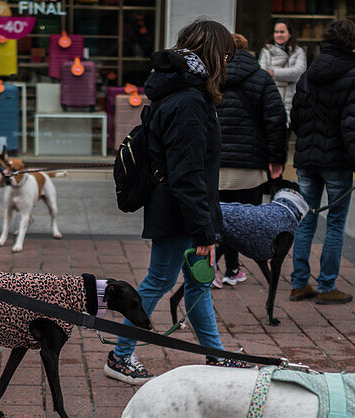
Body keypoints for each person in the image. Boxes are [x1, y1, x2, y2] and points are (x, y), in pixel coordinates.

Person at [104, 20, 250, 385]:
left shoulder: (177, 91)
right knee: (159, 280)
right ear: (214, 55)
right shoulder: (189, 101)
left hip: (178, 207)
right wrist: (203, 228)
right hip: (179, 211)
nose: (228, 63)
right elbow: (187, 173)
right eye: (226, 55)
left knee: (197, 284)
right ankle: (120, 356)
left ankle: (215, 356)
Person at [287, 18, 355, 306]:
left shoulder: (306, 76)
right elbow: (351, 127)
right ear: (353, 44)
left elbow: (296, 121)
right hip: (337, 163)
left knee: (305, 221)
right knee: (336, 224)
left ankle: (299, 284)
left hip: (306, 159)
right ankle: (326, 287)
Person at [214, 31, 286, 287]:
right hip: (251, 167)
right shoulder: (261, 78)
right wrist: (276, 158)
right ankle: (233, 270)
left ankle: (211, 268)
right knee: (244, 221)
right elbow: (276, 120)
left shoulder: (210, 77)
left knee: (216, 219)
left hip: (215, 166)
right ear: (247, 51)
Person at [259, 18, 305, 124]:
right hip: (271, 98)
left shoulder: (298, 51)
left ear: (290, 34)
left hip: (292, 100)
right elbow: (263, 75)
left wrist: (274, 73)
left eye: (282, 32)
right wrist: (287, 78)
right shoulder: (266, 50)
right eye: (276, 32)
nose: (279, 35)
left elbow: (298, 73)